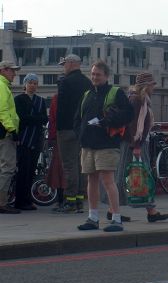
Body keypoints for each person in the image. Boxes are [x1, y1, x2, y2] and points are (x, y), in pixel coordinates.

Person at [75, 60, 133, 232]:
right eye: (92, 74)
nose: (94, 77)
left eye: (98, 75)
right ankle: (92, 218)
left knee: (108, 180)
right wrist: (80, 133)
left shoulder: (116, 93)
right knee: (91, 180)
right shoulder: (87, 94)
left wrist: (110, 120)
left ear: (106, 76)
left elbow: (129, 114)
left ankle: (116, 219)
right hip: (88, 144)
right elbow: (77, 118)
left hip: (107, 143)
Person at [122, 72, 168, 222]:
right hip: (135, 143)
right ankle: (151, 211)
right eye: (152, 85)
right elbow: (135, 124)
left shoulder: (137, 98)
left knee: (126, 175)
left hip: (132, 142)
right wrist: (136, 145)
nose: (154, 87)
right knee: (143, 175)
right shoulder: (138, 99)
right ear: (146, 86)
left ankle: (114, 210)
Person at [56, 54, 92, 213]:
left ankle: (69, 202)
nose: (63, 67)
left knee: (69, 165)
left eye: (64, 64)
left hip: (66, 128)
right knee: (80, 165)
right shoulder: (87, 82)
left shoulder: (65, 82)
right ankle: (79, 201)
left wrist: (58, 127)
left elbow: (61, 108)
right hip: (82, 129)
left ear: (71, 64)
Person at [14, 73, 48, 210]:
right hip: (23, 139)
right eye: (30, 83)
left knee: (31, 171)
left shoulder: (41, 100)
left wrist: (33, 118)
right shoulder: (19, 99)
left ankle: (28, 200)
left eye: (35, 83)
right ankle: (20, 201)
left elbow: (45, 119)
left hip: (36, 140)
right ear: (25, 84)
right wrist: (36, 118)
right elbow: (21, 118)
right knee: (23, 170)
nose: (33, 85)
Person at [0, 61, 21, 214]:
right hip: (5, 134)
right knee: (7, 168)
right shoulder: (2, 86)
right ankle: (2, 203)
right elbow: (3, 111)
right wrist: (12, 130)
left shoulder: (3, 86)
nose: (14, 74)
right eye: (12, 71)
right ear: (3, 70)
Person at [47, 93, 66, 210]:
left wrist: (52, 137)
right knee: (70, 169)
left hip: (59, 137)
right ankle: (72, 199)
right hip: (74, 137)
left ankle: (61, 199)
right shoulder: (79, 96)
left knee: (58, 169)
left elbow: (53, 119)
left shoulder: (57, 98)